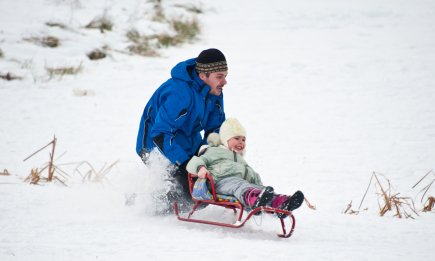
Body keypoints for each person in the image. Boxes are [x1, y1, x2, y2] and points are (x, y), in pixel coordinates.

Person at [136, 48, 228, 213]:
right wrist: (187, 164)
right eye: (219, 77)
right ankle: (141, 203)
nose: (224, 82)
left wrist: (208, 155)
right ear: (203, 76)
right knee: (190, 193)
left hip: (187, 142)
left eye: (225, 76)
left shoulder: (214, 92)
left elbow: (216, 128)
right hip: (155, 146)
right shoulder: (179, 93)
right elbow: (160, 134)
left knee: (207, 186)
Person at [186, 118, 304, 217]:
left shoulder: (240, 160)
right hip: (218, 183)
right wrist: (200, 168)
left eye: (243, 139)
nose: (241, 142)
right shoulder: (214, 151)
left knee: (250, 186)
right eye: (236, 138)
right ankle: (255, 199)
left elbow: (250, 174)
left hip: (238, 185)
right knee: (240, 185)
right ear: (226, 139)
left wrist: (260, 186)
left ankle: (281, 202)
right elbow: (195, 161)